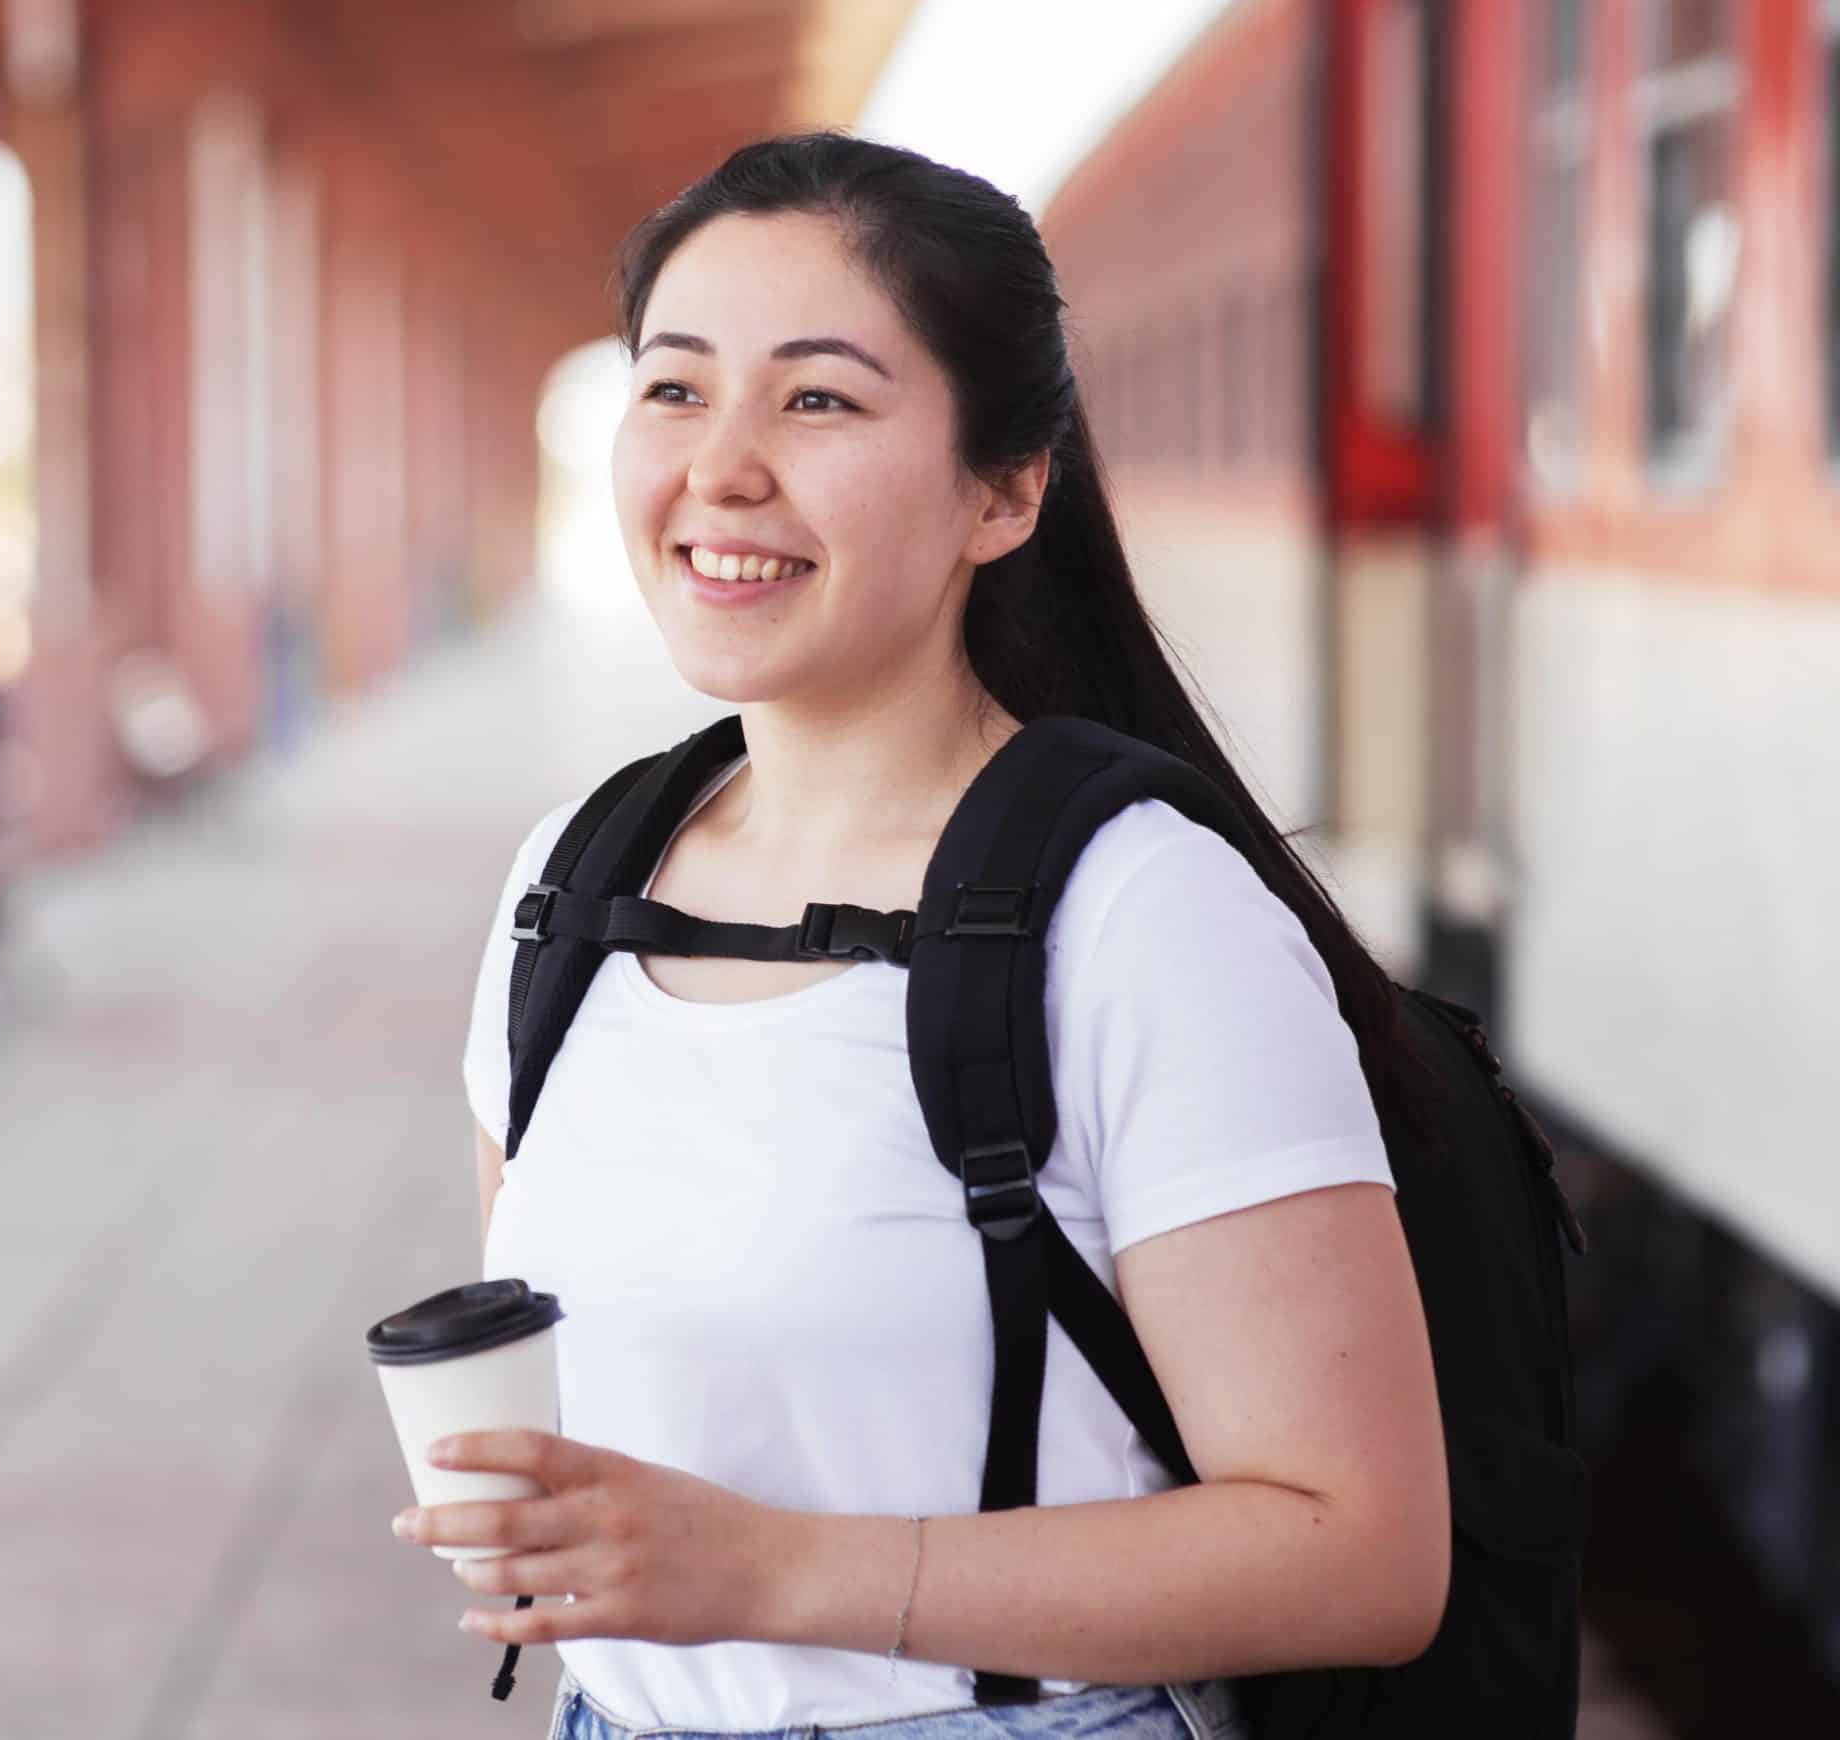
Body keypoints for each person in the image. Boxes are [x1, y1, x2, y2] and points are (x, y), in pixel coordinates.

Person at [390, 134, 1449, 1740]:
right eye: (674, 389)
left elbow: (1364, 1552)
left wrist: (773, 1576)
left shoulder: (1145, 915)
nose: (722, 467)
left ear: (1005, 489)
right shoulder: (571, 886)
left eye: (818, 399)